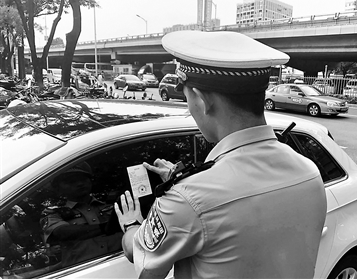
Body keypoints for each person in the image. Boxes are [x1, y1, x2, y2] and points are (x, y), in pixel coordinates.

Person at [115, 30, 327, 279]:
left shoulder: (187, 200)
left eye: (186, 99)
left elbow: (143, 262)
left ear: (202, 101)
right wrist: (180, 177)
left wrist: (131, 225)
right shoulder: (310, 172)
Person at [40, 161, 123, 268]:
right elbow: (62, 232)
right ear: (58, 189)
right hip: (84, 272)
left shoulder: (113, 203)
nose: (79, 183)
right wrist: (106, 227)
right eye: (71, 181)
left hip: (123, 263)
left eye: (82, 179)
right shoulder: (54, 213)